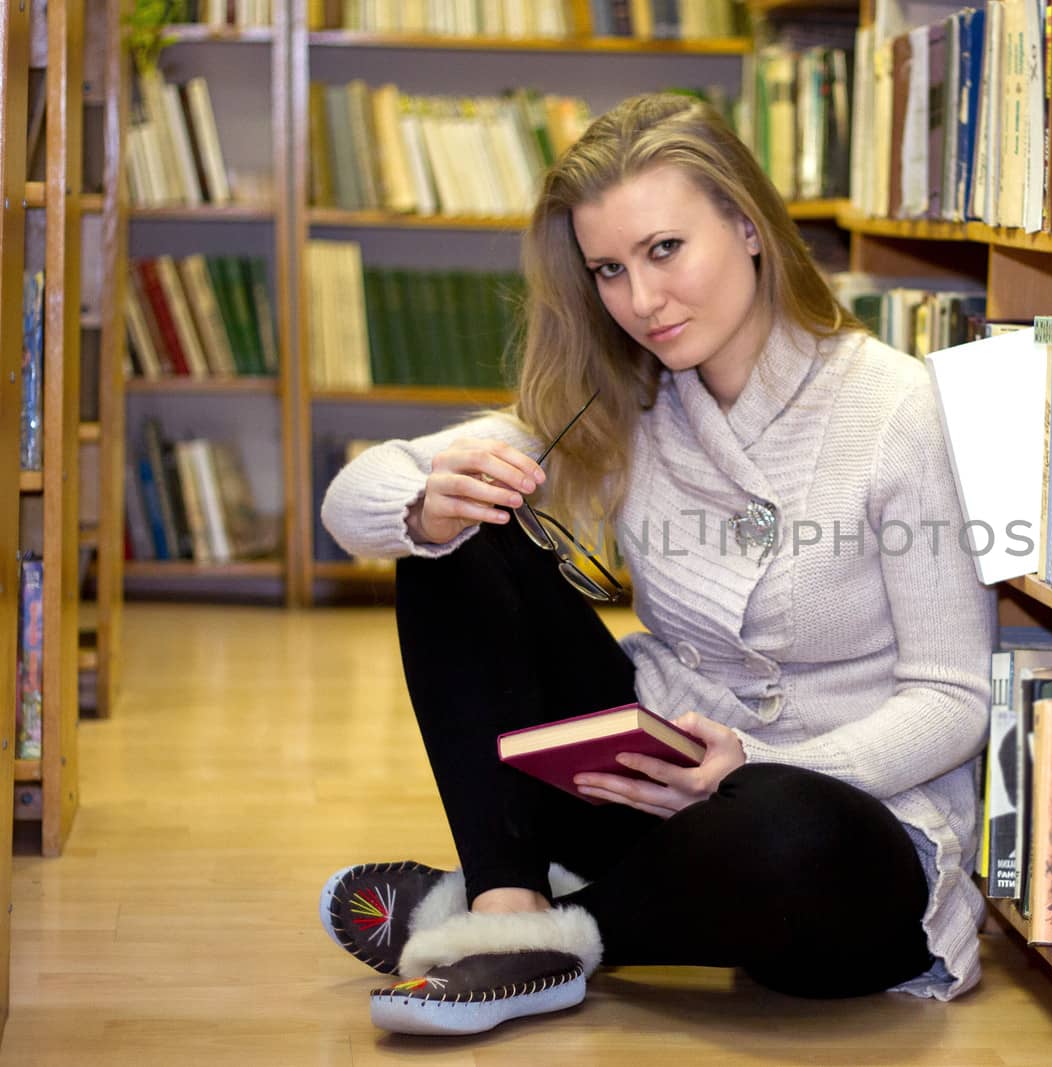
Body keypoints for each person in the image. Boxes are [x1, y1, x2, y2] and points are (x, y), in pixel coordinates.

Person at [318, 91, 996, 1037]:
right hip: (649, 788)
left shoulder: (892, 406)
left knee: (783, 827)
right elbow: (355, 503)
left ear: (750, 227)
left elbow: (955, 699)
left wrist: (752, 763)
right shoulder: (621, 401)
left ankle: (544, 931)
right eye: (609, 268)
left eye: (665, 249)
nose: (641, 301)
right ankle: (509, 905)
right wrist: (421, 504)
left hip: (834, 829)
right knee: (454, 536)